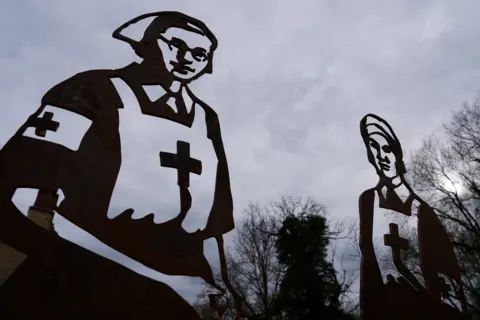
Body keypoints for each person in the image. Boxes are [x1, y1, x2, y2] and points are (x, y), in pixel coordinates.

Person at [0, 11, 240, 317]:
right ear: (147, 43)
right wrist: (55, 254)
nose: (187, 58)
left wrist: (222, 287)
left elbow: (216, 220)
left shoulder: (207, 119)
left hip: (170, 291)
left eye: (199, 54)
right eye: (175, 45)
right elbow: (19, 178)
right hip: (75, 277)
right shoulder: (93, 88)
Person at [358, 114, 468, 319]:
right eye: (373, 146)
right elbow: (369, 262)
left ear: (397, 153)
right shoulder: (368, 201)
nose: (381, 155)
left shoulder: (422, 210)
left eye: (387, 149)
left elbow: (445, 266)